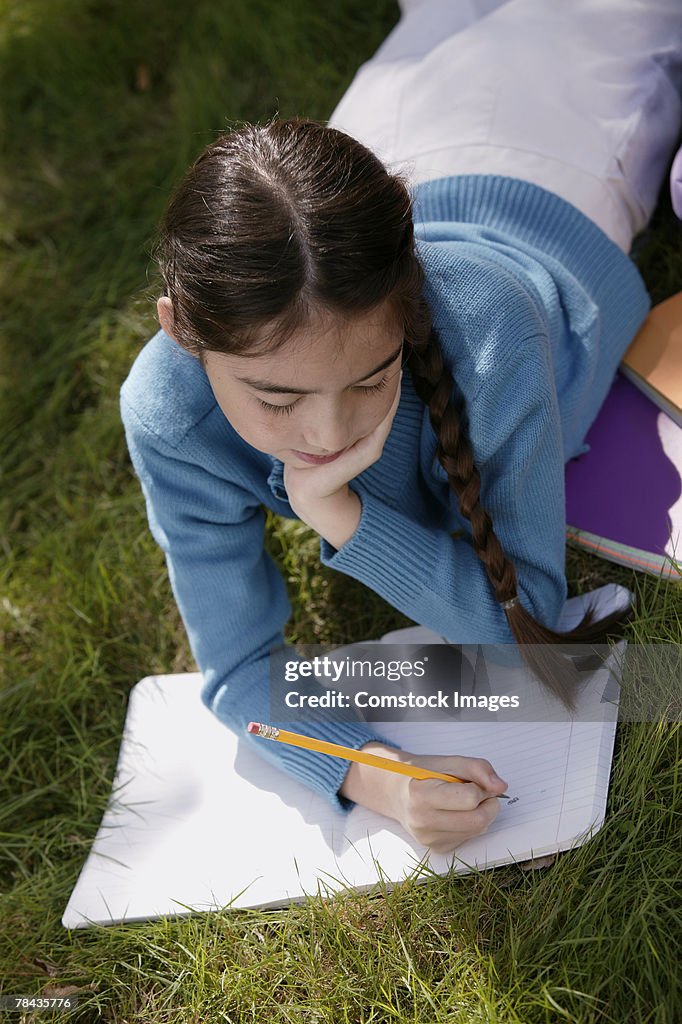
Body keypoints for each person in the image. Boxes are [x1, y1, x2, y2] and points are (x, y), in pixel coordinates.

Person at [120, 0, 682, 855]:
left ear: (406, 305)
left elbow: (524, 623)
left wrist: (344, 514)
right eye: (276, 399)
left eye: (371, 377)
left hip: (566, 157)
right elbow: (235, 669)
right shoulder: (167, 408)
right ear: (180, 331)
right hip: (409, 139)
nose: (328, 431)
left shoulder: (493, 328)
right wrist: (368, 770)